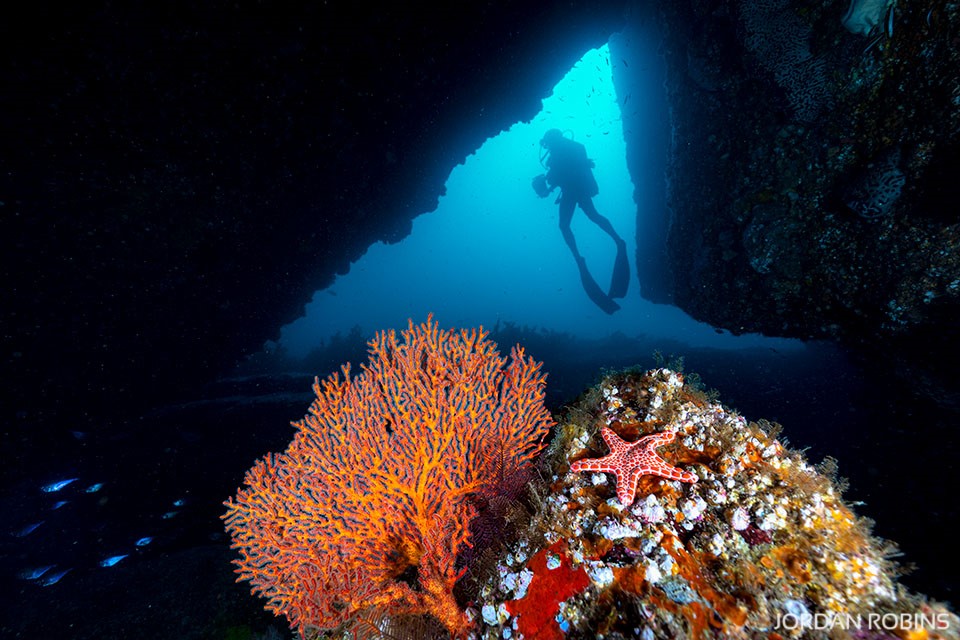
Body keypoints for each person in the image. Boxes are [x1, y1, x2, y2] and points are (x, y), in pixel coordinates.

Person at [533, 129, 629, 313]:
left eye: (548, 142)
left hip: (573, 190)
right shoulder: (570, 149)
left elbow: (562, 174)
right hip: (576, 189)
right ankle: (616, 240)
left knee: (567, 224)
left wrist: (545, 185)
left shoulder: (562, 152)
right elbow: (561, 175)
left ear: (552, 140)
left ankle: (579, 257)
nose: (548, 146)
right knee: (591, 216)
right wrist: (546, 185)